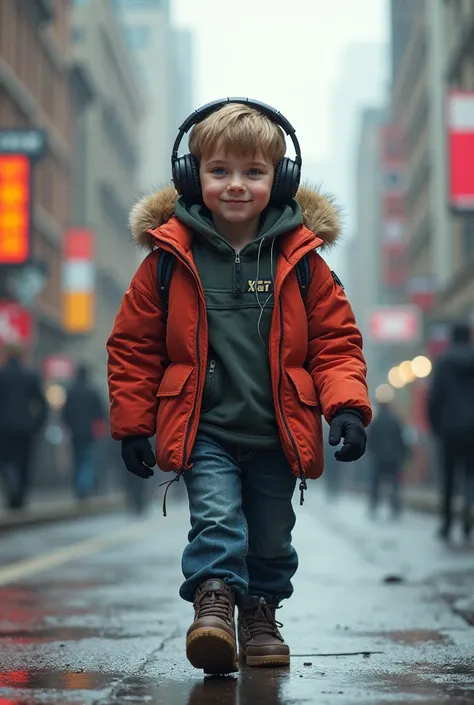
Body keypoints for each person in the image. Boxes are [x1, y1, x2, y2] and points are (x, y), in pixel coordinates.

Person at [107, 98, 371, 674]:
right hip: (206, 429)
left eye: (253, 173)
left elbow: (335, 344)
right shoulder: (167, 260)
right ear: (191, 174)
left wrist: (346, 408)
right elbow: (134, 347)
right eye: (219, 171)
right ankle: (214, 605)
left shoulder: (303, 261)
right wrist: (133, 424)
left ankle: (259, 612)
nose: (235, 186)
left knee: (273, 536)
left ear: (280, 180)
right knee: (218, 520)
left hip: (279, 429)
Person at [427, 321, 474, 541]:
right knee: (471, 476)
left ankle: (446, 523)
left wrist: (436, 427)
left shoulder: (443, 362)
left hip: (449, 429)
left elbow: (434, 399)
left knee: (448, 477)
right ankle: (468, 513)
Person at [0, 343, 47, 509]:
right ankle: (20, 495)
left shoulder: (1, 375)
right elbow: (42, 403)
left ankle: (12, 489)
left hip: (3, 428)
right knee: (24, 463)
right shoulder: (30, 375)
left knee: (6, 462)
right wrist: (38, 425)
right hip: (26, 428)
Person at [62, 363, 107, 500]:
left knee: (77, 459)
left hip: (75, 431)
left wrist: (68, 426)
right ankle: (84, 487)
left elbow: (65, 413)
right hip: (89, 431)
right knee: (87, 459)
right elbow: (101, 413)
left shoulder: (71, 391)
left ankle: (79, 487)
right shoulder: (93, 392)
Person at [367, 400, 408, 519]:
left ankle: (373, 505)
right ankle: (395, 506)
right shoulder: (395, 421)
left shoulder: (375, 423)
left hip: (378, 459)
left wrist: (371, 454)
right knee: (394, 484)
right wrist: (403, 456)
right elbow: (401, 440)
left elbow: (370, 442)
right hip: (393, 459)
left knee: (375, 483)